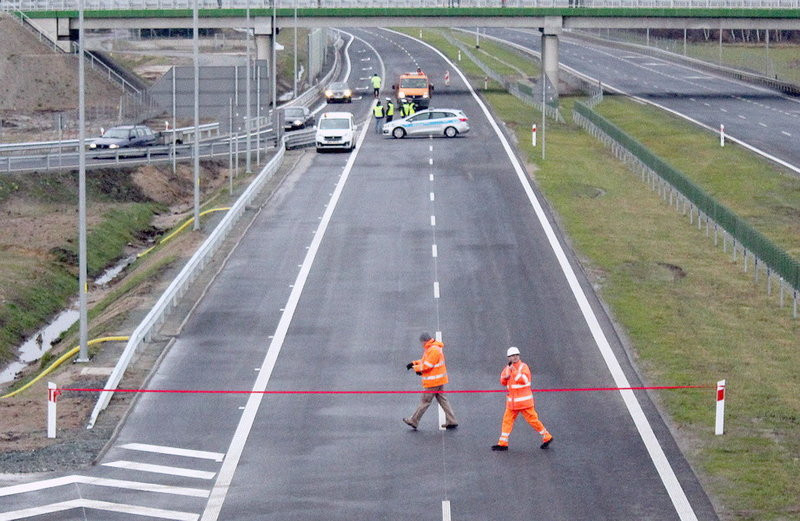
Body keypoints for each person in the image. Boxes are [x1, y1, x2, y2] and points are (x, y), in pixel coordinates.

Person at [491, 346, 553, 451]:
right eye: (512, 356)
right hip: (512, 403)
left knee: (533, 420)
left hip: (524, 402)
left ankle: (547, 437)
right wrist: (506, 376)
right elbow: (503, 382)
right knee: (507, 421)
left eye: (516, 355)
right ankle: (503, 443)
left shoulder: (523, 367)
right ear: (509, 357)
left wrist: (513, 371)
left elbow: (524, 380)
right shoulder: (507, 368)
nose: (515, 357)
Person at [403, 333, 458, 430]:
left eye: (421, 342)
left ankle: (414, 420)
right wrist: (414, 363)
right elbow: (425, 361)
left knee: (425, 401)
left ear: (425, 341)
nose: (421, 344)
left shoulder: (433, 350)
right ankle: (452, 420)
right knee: (443, 400)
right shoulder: (432, 348)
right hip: (438, 380)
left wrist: (416, 368)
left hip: (433, 381)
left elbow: (427, 365)